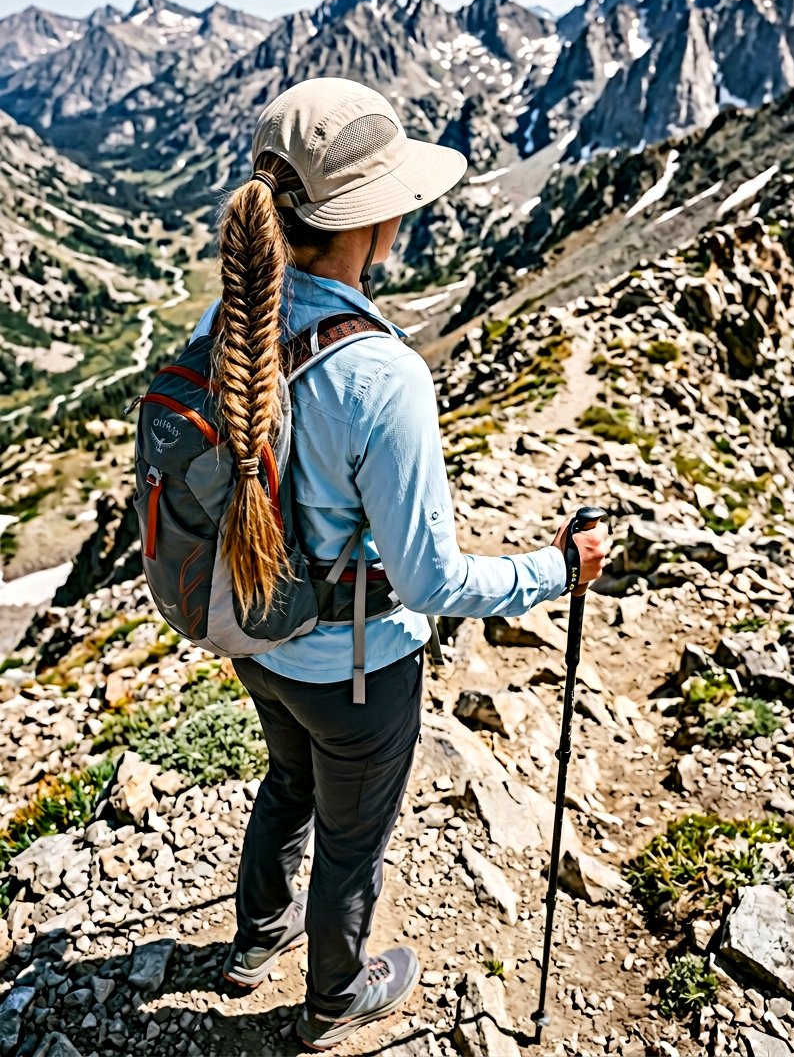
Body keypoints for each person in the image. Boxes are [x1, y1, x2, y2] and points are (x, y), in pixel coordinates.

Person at [189, 76, 608, 1051]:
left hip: (249, 629)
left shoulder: (225, 326)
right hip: (354, 668)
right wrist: (555, 568)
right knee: (351, 833)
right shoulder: (380, 373)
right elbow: (428, 583)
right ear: (370, 223)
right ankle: (335, 993)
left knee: (284, 780)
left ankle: (255, 939)